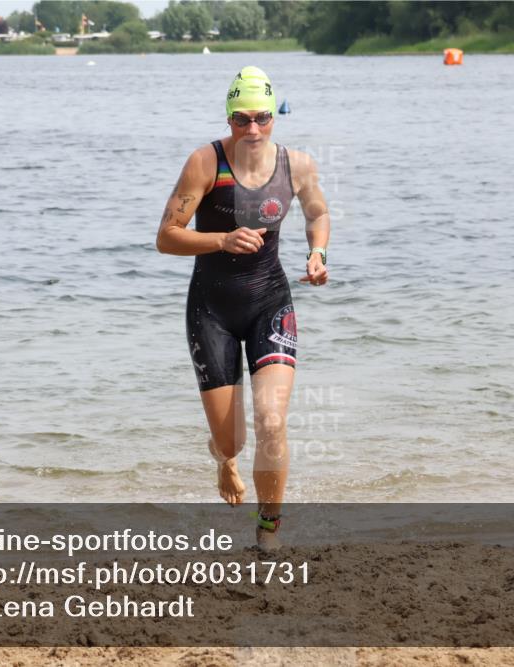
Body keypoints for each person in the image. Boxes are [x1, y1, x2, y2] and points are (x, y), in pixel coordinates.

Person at [156, 66, 331, 550]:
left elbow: (317, 213)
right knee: (231, 440)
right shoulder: (205, 162)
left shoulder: (297, 165)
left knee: (272, 420)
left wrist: (318, 254)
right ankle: (225, 460)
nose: (251, 129)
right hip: (211, 310)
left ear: (275, 115)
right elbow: (166, 237)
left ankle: (268, 529)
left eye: (261, 118)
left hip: (269, 303)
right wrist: (221, 239)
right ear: (228, 118)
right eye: (240, 119)